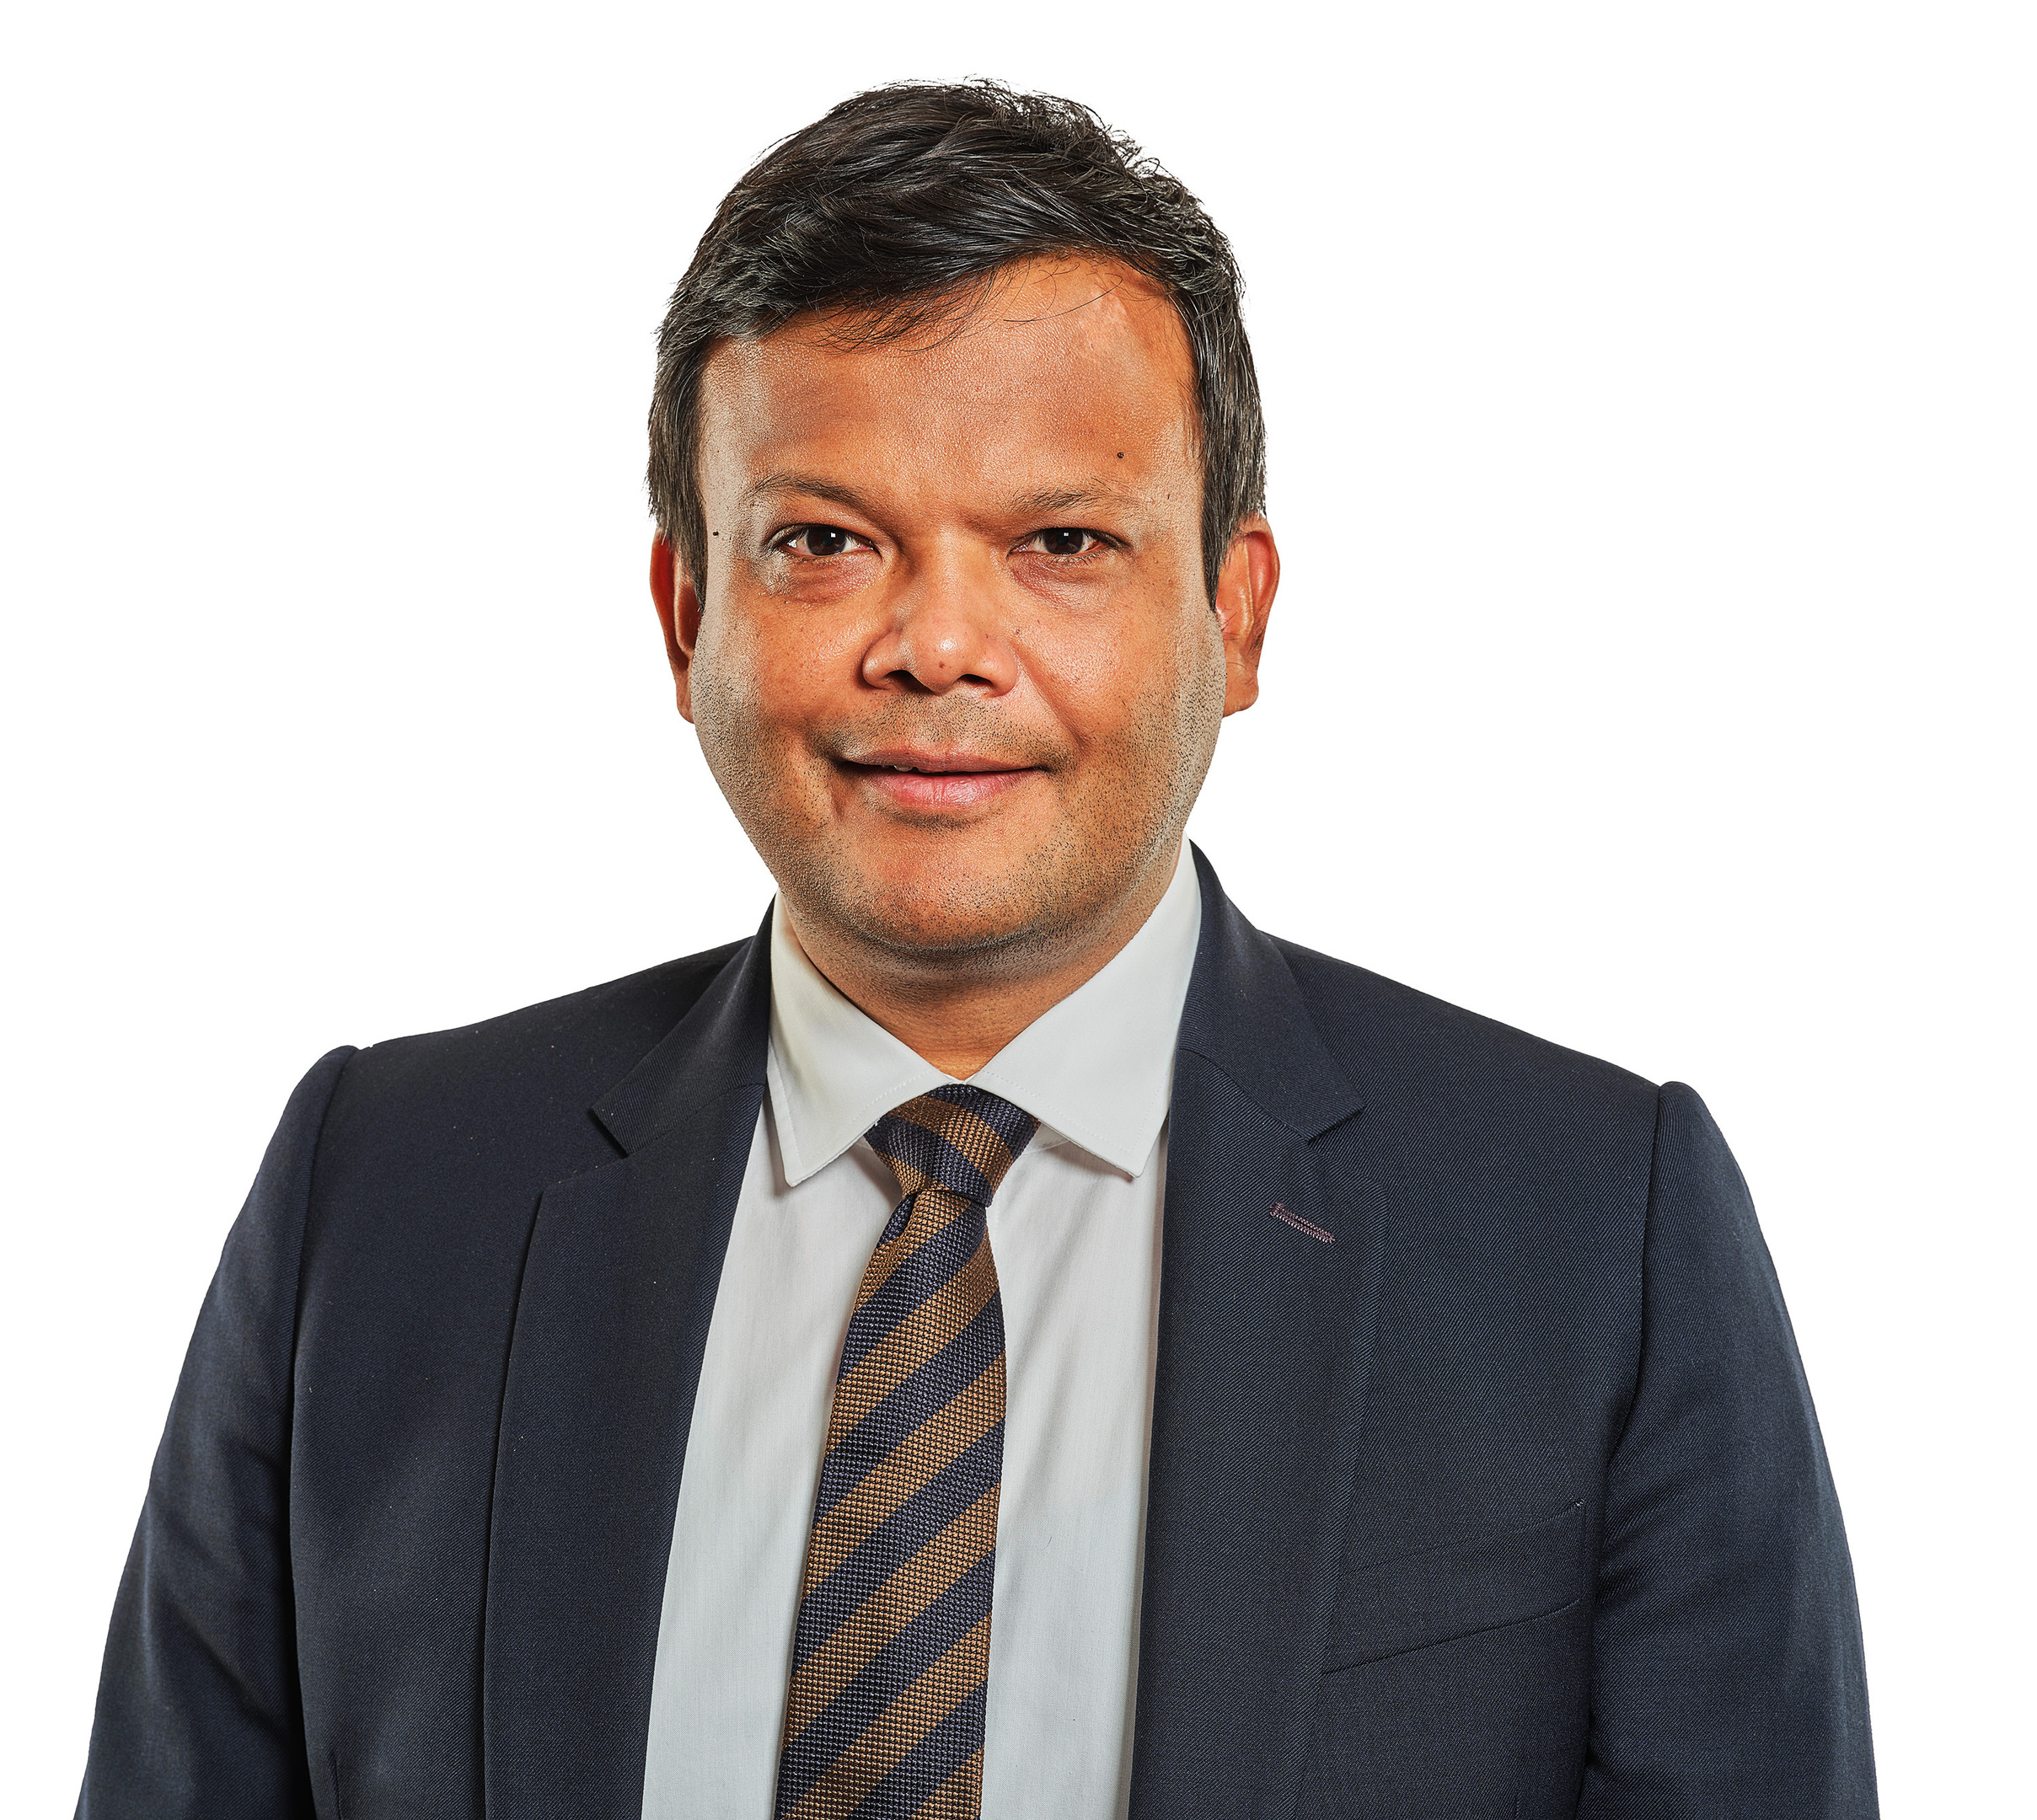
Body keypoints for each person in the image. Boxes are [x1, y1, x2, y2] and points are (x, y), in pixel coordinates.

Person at [76, 81, 1877, 1820]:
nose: (938, 645)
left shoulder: (1595, 1236)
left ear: (1236, 613)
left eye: (1062, 542)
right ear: (685, 612)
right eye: (824, 542)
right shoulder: (379, 1199)